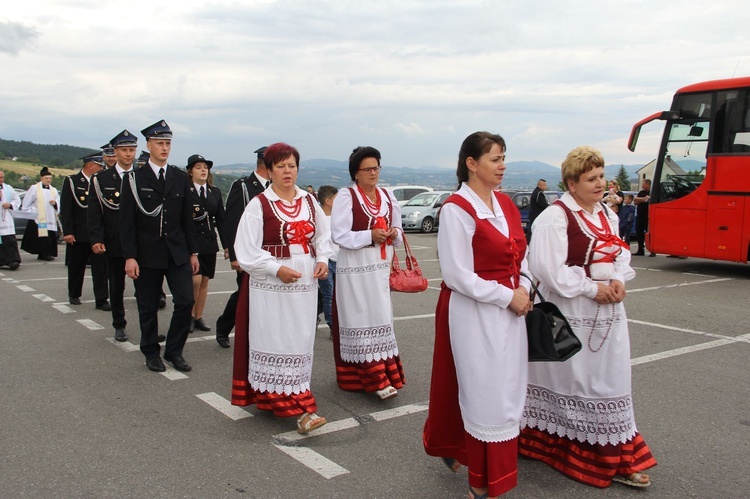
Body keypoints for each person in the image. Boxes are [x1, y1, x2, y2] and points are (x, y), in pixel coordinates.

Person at [519, 146, 656, 489]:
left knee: (610, 380)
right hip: (572, 311)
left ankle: (609, 448)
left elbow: (621, 253)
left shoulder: (606, 214)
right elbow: (547, 269)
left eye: (601, 176)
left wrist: (618, 280)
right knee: (575, 381)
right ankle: (582, 451)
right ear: (571, 183)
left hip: (608, 313)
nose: (600, 184)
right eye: (591, 179)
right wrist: (593, 289)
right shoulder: (555, 217)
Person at [423, 132, 532, 499]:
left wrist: (526, 288)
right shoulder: (456, 208)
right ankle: (482, 483)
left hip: (509, 310)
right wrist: (507, 296)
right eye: (495, 159)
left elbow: (522, 255)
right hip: (475, 312)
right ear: (472, 164)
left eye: (504, 158)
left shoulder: (505, 204)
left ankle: (472, 457)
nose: (502, 166)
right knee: (484, 393)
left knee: (505, 389)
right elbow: (457, 275)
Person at [231, 142, 333, 434]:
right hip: (271, 287)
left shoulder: (310, 202)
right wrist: (277, 268)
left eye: (292, 165)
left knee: (299, 340)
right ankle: (299, 409)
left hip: (304, 285)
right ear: (270, 170)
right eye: (281, 166)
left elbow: (322, 237)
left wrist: (323, 260)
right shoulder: (259, 205)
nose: (287, 171)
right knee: (276, 340)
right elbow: (246, 250)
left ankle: (288, 395)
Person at [119, 120, 199, 373]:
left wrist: (192, 251)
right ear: (149, 145)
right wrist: (130, 257)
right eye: (160, 143)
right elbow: (127, 223)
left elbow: (188, 219)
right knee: (148, 306)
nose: (165, 148)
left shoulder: (178, 177)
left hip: (176, 252)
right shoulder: (134, 179)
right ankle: (151, 351)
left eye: (168, 143)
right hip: (147, 253)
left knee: (186, 301)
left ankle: (174, 351)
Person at [330, 146, 405, 400]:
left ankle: (384, 372)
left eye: (376, 168)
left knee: (380, 316)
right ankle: (374, 378)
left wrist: (393, 233)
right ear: (356, 173)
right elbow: (339, 235)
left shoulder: (387, 196)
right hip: (354, 268)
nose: (373, 173)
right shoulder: (346, 196)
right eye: (367, 169)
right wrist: (369, 235)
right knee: (359, 317)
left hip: (379, 268)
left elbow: (398, 230)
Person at [215, 146, 269, 348]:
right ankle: (223, 328)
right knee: (244, 293)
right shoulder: (244, 186)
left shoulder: (274, 187)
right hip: (249, 251)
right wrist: (234, 255)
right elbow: (232, 221)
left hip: (269, 253)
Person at [60, 154, 110, 309]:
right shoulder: (72, 181)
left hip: (97, 235)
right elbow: (66, 208)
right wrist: (68, 231)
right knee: (77, 266)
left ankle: (101, 299)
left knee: (100, 269)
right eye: (99, 166)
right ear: (90, 165)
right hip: (78, 234)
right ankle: (74, 294)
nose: (102, 169)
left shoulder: (99, 182)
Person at [186, 154, 227, 333]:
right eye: (198, 167)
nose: (203, 170)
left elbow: (221, 220)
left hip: (209, 242)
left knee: (204, 281)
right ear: (190, 172)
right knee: (193, 281)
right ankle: (187, 315)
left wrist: (227, 245)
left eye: (205, 167)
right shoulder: (186, 192)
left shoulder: (214, 192)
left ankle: (198, 317)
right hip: (192, 241)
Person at [21, 167, 60, 261]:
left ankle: (46, 253)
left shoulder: (54, 190)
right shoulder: (34, 188)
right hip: (39, 217)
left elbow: (58, 201)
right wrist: (33, 212)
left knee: (49, 236)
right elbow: (27, 202)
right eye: (46, 178)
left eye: (50, 178)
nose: (48, 180)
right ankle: (44, 253)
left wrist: (55, 203)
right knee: (42, 237)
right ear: (41, 178)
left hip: (50, 217)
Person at [316, 185, 339, 332]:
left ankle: (313, 314)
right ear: (328, 201)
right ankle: (333, 327)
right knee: (329, 294)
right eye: (336, 199)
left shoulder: (340, 217)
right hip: (327, 262)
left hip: (340, 260)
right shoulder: (320, 218)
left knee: (337, 295)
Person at [0, 171, 22, 270]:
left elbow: (17, 200)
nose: (1, 179)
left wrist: (10, 205)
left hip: (6, 219)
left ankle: (13, 261)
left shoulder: (8, 188)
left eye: (2, 177)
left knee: (9, 240)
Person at [633, 179, 654, 256]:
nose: (642, 186)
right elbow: (635, 201)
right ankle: (640, 250)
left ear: (648, 184)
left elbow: (650, 200)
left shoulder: (652, 192)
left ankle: (652, 251)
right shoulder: (641, 192)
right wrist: (643, 199)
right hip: (639, 216)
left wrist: (640, 200)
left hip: (648, 217)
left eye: (643, 184)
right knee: (639, 233)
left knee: (649, 234)